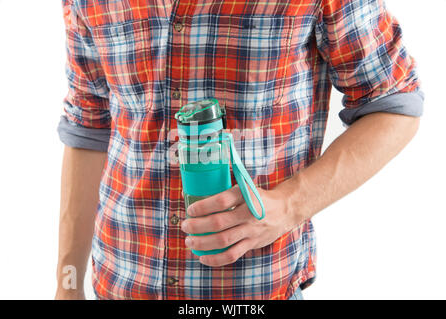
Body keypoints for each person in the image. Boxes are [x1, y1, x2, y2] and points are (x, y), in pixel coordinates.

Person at [55, 0, 423, 300]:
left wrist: (290, 204)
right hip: (118, 283)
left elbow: (394, 104)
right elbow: (89, 128)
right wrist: (67, 285)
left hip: (254, 293)